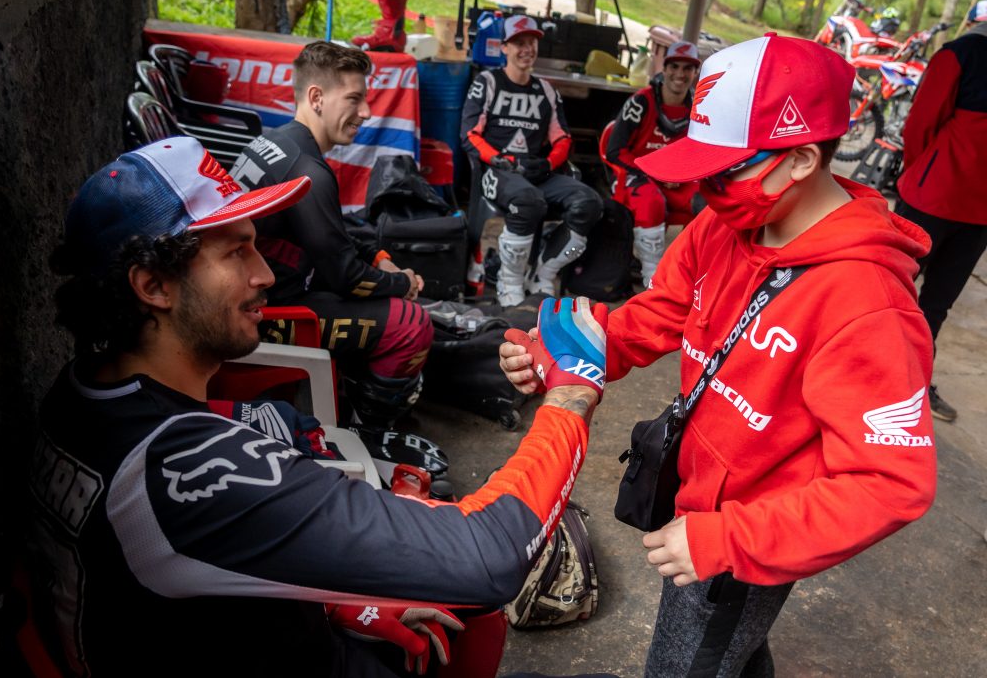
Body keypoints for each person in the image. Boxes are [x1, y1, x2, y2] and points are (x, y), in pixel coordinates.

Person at [32, 135, 609, 677]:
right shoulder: (180, 471)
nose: (264, 275)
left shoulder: (82, 391)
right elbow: (489, 553)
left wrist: (336, 601)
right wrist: (571, 395)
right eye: (236, 252)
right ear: (153, 287)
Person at [500, 34, 937, 674]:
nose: (705, 190)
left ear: (800, 161)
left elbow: (890, 483)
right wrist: (569, 351)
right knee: (726, 651)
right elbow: (664, 308)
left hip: (750, 542)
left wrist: (727, 540)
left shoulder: (867, 304)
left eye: (722, 170)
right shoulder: (726, 222)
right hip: (699, 497)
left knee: (688, 659)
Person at [231, 42, 432, 432]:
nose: (367, 112)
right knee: (412, 323)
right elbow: (346, 277)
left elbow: (328, 234)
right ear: (317, 97)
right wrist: (401, 282)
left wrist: (377, 258)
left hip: (258, 289)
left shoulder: (278, 140)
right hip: (260, 313)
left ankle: (347, 394)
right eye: (354, 99)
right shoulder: (308, 168)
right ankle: (367, 432)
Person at [460, 14, 603, 307]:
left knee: (589, 202)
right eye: (519, 43)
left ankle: (543, 274)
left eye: (532, 43)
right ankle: (508, 282)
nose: (527, 49)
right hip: (498, 171)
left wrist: (549, 163)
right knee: (529, 201)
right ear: (504, 48)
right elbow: (469, 135)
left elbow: (562, 138)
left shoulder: (546, 90)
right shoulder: (487, 82)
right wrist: (499, 159)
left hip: (538, 170)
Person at [893, 1, 987, 422]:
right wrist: (919, 173)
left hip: (978, 214)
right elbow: (920, 124)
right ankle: (854, 367)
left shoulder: (958, 52)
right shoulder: (960, 53)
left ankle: (909, 383)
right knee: (891, 287)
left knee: (936, 303)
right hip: (930, 199)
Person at [604, 41, 702, 283]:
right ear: (664, 68)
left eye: (687, 69)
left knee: (709, 204)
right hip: (638, 175)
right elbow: (615, 151)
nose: (680, 74)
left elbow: (699, 153)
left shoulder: (699, 108)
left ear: (695, 73)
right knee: (652, 203)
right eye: (675, 66)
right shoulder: (641, 102)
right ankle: (653, 278)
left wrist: (679, 175)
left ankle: (694, 275)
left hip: (678, 179)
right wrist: (658, 174)